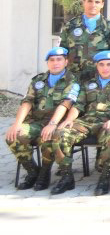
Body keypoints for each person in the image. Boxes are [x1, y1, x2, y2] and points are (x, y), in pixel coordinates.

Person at [51, 50, 110, 195]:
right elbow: (78, 105)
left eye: (109, 64)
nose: (105, 68)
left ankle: (104, 179)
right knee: (61, 134)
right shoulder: (88, 84)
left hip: (108, 122)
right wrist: (68, 120)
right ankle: (67, 177)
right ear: (96, 66)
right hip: (87, 121)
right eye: (101, 64)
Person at [5, 48, 79, 191]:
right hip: (36, 122)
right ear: (47, 63)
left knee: (49, 137)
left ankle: (44, 173)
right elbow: (27, 102)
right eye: (52, 60)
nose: (55, 63)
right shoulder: (38, 80)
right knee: (13, 137)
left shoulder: (72, 80)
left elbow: (66, 103)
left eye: (59, 59)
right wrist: (17, 124)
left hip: (58, 123)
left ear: (66, 62)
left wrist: (52, 124)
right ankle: (33, 172)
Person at [59, 0, 110, 82]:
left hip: (100, 80)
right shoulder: (71, 25)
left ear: (102, 4)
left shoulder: (108, 26)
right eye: (90, 1)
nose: (93, 5)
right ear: (83, 2)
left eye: (97, 2)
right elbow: (62, 52)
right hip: (74, 78)